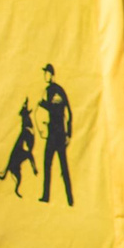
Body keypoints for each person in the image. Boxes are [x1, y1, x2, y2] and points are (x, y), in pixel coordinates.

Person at [39, 65, 74, 206]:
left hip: (57, 134)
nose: (45, 76)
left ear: (51, 75)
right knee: (51, 164)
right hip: (55, 133)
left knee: (59, 166)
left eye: (46, 73)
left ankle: (67, 199)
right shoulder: (52, 90)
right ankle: (48, 196)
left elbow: (61, 110)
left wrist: (68, 134)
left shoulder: (55, 91)